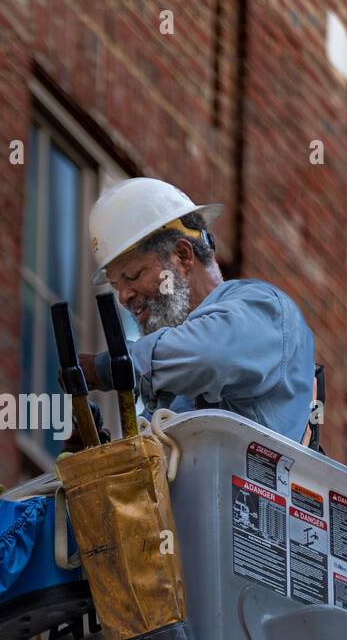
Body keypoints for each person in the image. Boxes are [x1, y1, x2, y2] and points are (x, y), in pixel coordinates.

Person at [81, 178, 316, 443]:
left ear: (182, 256)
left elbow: (214, 354)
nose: (124, 296)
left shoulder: (265, 308)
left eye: (133, 275)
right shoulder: (170, 391)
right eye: (115, 285)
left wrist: (115, 365)